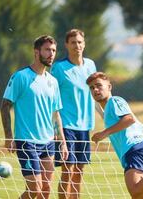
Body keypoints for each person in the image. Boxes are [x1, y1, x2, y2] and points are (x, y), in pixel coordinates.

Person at [0, 35, 68, 199]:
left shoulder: (53, 81)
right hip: (26, 142)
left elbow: (56, 112)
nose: (51, 54)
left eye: (53, 50)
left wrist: (63, 141)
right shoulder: (21, 77)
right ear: (36, 52)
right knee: (35, 190)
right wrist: (9, 137)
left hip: (48, 142)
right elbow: (5, 106)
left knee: (45, 190)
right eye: (47, 50)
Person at [50, 29, 98, 199]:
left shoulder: (90, 65)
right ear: (66, 45)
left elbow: (95, 94)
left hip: (85, 126)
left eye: (79, 42)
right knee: (67, 169)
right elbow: (52, 99)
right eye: (73, 42)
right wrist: (56, 130)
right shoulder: (59, 68)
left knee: (79, 170)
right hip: (66, 125)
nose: (77, 45)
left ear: (84, 44)